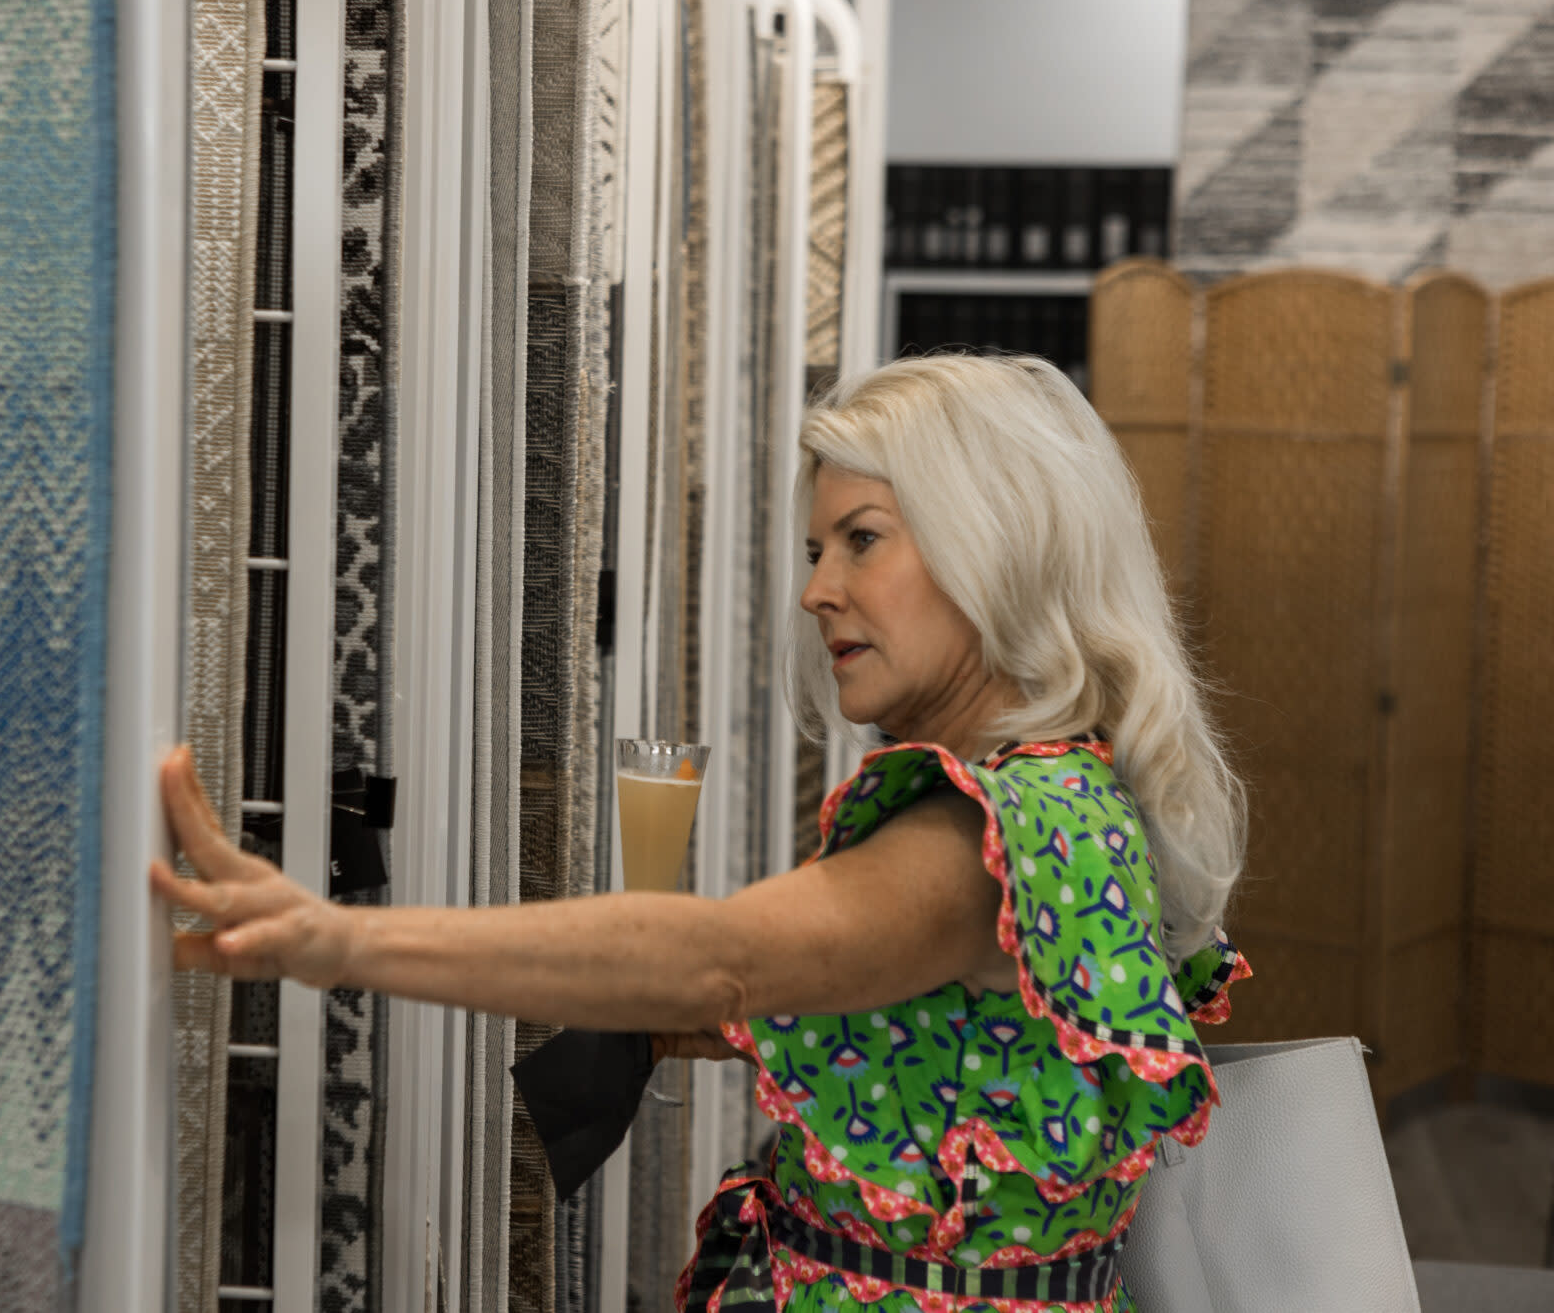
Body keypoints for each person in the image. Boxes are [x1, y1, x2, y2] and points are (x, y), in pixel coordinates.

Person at [151, 353, 1252, 1312]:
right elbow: (984, 1064)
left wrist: (334, 941)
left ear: (995, 547)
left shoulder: (986, 839)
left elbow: (719, 955)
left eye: (860, 540)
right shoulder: (1067, 791)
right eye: (817, 548)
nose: (819, 589)